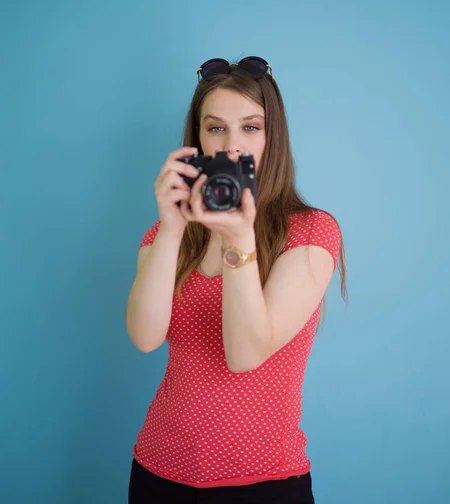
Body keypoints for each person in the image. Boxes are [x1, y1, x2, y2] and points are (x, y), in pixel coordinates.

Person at [126, 56, 348, 504]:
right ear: (197, 140)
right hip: (158, 472)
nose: (232, 145)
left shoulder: (310, 232)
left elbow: (245, 354)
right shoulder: (165, 235)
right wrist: (170, 227)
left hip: (263, 484)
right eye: (215, 128)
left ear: (273, 137)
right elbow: (145, 337)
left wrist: (239, 237)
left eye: (250, 127)